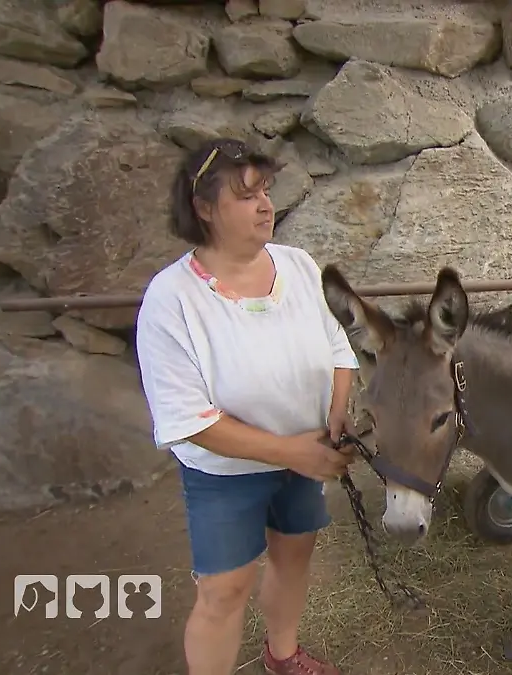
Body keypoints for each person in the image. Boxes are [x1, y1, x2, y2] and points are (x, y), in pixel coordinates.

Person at [134, 137, 362, 675]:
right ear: (204, 208)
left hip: (307, 456)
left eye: (265, 191)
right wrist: (291, 452)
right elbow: (188, 419)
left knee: (294, 557)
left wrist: (336, 415)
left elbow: (337, 346)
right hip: (226, 473)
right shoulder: (171, 299)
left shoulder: (298, 266)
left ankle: (283, 655)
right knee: (224, 589)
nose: (265, 206)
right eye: (246, 196)